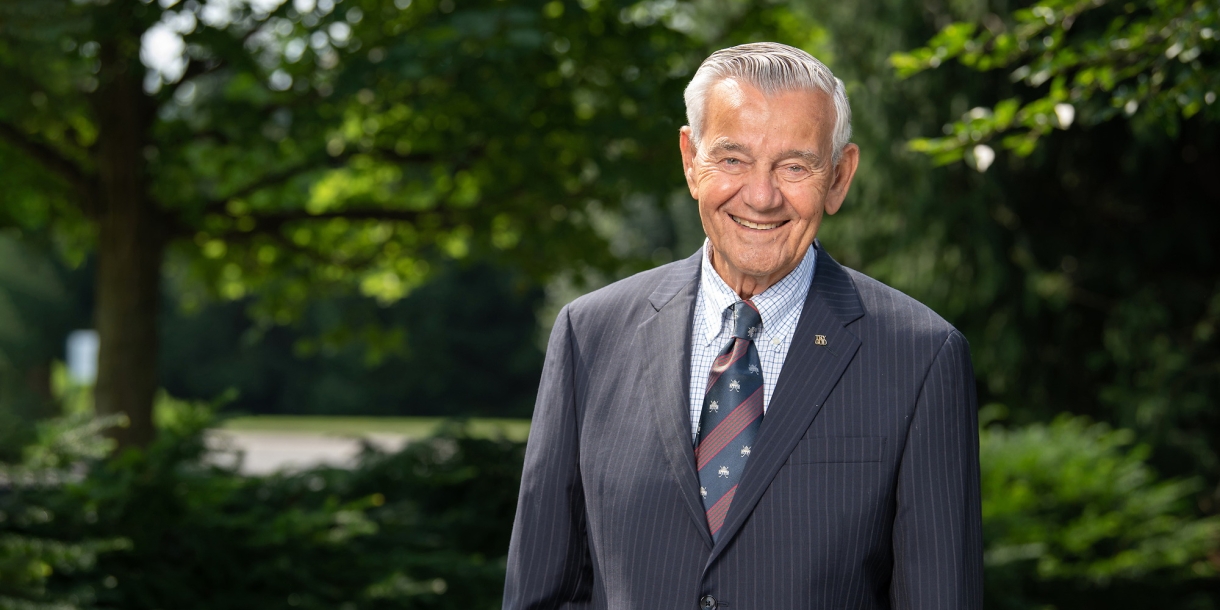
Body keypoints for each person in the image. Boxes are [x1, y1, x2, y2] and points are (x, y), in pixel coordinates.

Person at [503, 42, 982, 610]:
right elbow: (542, 595)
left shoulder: (921, 357)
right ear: (689, 159)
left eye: (794, 165)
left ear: (838, 177)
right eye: (732, 158)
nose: (760, 196)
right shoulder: (589, 335)